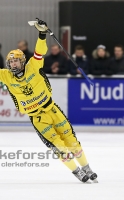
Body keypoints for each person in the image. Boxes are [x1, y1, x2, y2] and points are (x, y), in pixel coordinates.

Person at [1, 19, 97, 183]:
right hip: (38, 118)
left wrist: (42, 33)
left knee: (71, 141)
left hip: (53, 109)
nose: (13, 64)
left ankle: (86, 167)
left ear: (23, 60)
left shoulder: (33, 65)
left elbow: (40, 51)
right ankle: (76, 171)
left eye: (16, 60)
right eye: (10, 62)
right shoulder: (6, 76)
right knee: (59, 146)